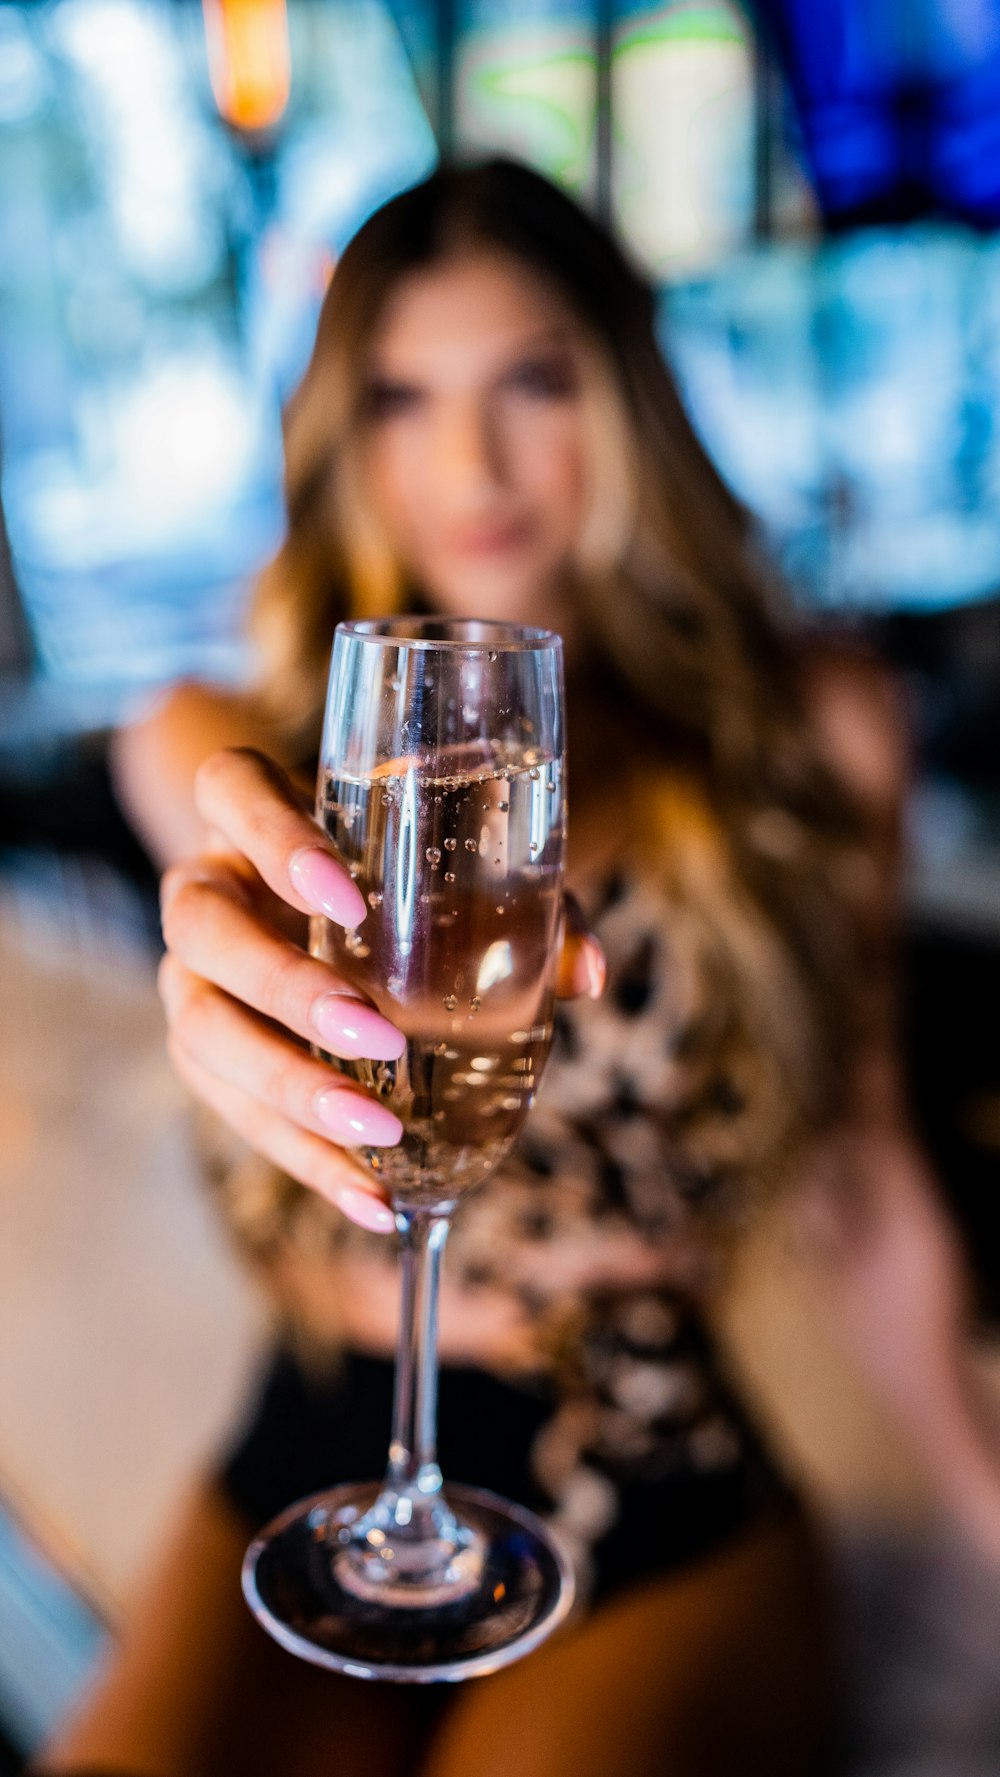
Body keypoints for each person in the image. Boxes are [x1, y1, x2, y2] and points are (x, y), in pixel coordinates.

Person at [39, 158, 906, 1777]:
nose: (472, 462)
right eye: (401, 396)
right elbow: (215, 861)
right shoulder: (239, 751)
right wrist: (229, 957)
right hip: (315, 1442)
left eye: (532, 381)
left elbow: (867, 1183)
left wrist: (984, 1504)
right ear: (342, 438)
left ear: (626, 401)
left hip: (647, 1463)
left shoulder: (815, 737)